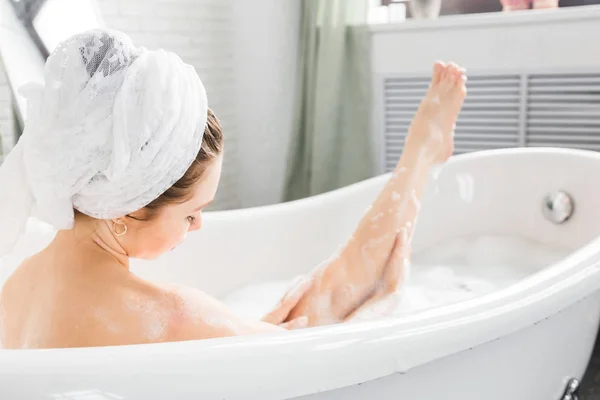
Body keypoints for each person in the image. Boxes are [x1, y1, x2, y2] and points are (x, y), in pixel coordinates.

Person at [0, 29, 466, 349]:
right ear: (127, 207)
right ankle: (419, 157)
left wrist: (243, 329)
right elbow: (321, 336)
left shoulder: (13, 290)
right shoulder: (172, 316)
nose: (201, 225)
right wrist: (385, 305)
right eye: (190, 213)